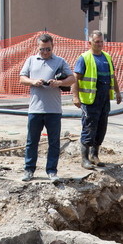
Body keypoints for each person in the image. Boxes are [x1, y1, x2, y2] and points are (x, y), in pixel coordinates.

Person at [19, 33, 76, 182]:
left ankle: (51, 171)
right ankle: (29, 169)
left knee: (54, 142)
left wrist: (58, 83)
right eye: (42, 49)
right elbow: (22, 78)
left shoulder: (59, 61)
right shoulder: (31, 60)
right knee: (32, 141)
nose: (45, 52)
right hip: (35, 109)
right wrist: (33, 82)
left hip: (53, 110)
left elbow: (72, 79)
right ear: (38, 48)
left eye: (48, 49)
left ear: (53, 47)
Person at [72, 30, 122, 169]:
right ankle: (84, 158)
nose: (99, 44)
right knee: (89, 128)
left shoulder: (107, 57)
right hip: (90, 100)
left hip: (104, 99)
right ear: (90, 43)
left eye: (101, 41)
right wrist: (75, 96)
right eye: (96, 42)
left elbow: (113, 76)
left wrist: (117, 92)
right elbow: (75, 78)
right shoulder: (84, 58)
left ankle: (95, 155)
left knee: (101, 128)